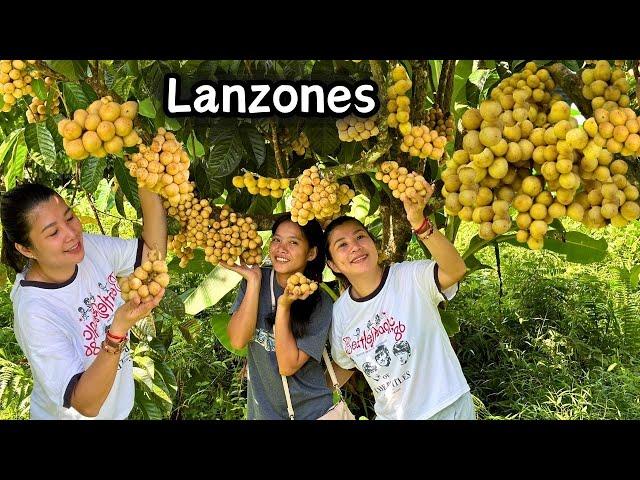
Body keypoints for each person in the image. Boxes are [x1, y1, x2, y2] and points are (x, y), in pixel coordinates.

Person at [1, 182, 167, 419]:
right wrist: (117, 331)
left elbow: (152, 255)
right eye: (53, 232)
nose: (71, 234)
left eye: (69, 218)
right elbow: (85, 405)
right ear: (26, 250)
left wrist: (146, 179)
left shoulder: (90, 248)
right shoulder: (35, 311)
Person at [324, 183, 474, 420]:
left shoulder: (410, 277)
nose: (355, 247)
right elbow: (344, 364)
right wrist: (309, 396)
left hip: (446, 408)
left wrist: (420, 223)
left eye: (360, 237)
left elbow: (455, 270)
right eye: (342, 245)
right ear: (332, 265)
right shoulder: (340, 313)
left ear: (373, 244)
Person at [224, 213, 334, 420]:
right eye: (276, 240)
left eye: (293, 242)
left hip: (311, 413)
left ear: (311, 253)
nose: (281, 248)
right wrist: (254, 281)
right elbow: (238, 339)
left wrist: (283, 307)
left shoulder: (320, 301)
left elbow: (287, 365)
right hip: (263, 413)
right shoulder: (255, 281)